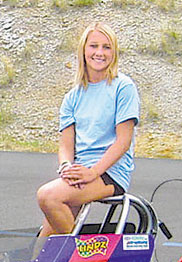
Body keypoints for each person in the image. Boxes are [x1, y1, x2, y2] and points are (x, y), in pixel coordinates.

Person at [36, 22, 140, 237]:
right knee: (42, 246)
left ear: (114, 52)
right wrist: (66, 166)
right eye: (94, 46)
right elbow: (65, 146)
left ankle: (85, 258)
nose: (99, 53)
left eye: (106, 47)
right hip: (80, 172)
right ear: (84, 50)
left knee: (48, 196)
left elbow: (123, 141)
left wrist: (93, 172)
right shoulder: (72, 97)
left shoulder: (124, 87)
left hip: (108, 173)